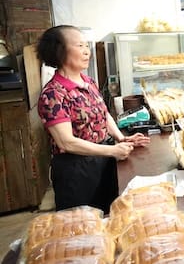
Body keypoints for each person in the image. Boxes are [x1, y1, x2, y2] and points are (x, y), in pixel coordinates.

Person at [36, 25, 150, 214]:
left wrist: (121, 139)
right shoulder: (53, 94)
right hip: (76, 170)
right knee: (82, 226)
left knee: (109, 216)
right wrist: (112, 150)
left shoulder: (87, 82)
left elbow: (104, 114)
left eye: (86, 45)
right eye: (79, 45)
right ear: (59, 51)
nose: (86, 51)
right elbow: (66, 142)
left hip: (103, 161)